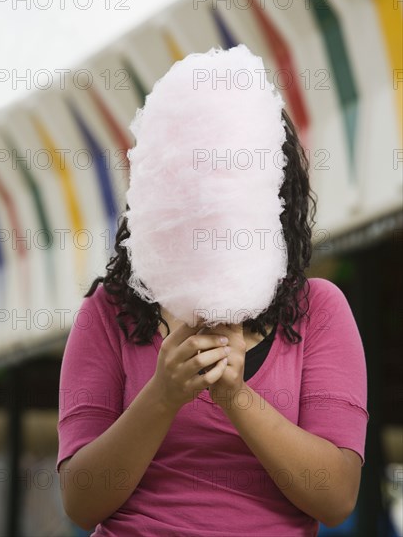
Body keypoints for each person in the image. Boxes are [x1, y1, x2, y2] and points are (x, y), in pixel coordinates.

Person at [56, 108, 369, 536]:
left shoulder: (319, 309)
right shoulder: (108, 312)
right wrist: (163, 396)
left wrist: (235, 397)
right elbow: (80, 500)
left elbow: (336, 497)